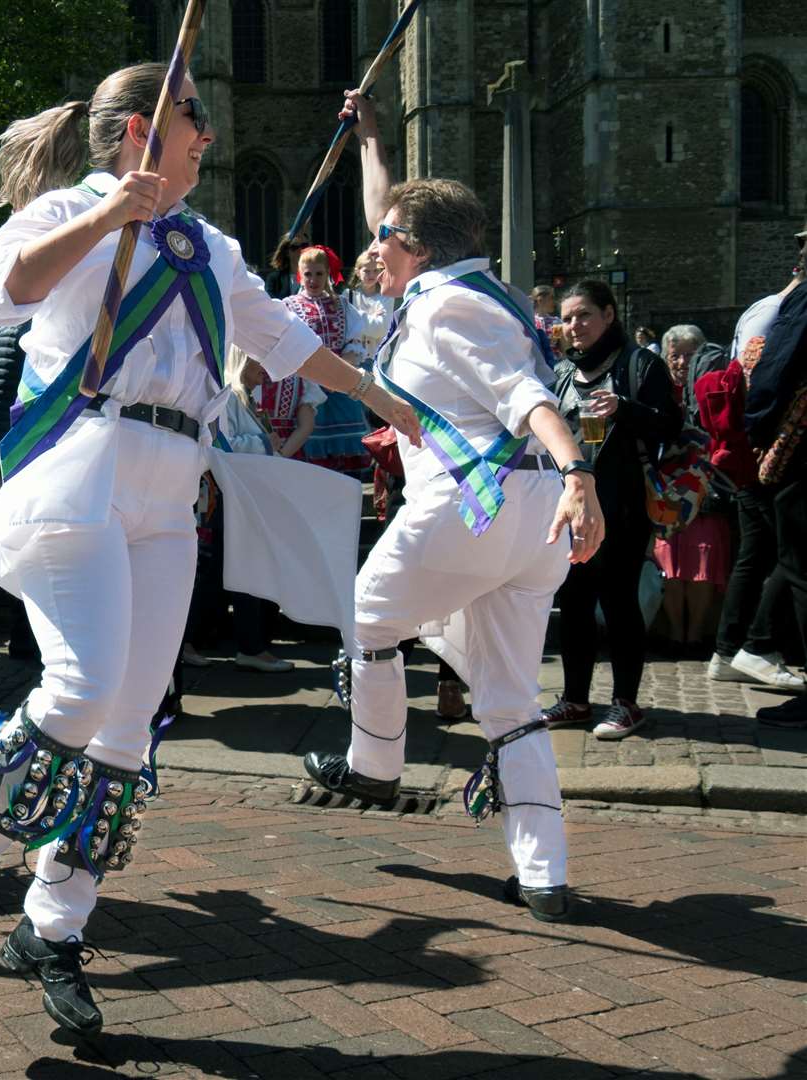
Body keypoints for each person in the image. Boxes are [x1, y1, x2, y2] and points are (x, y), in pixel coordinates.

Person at [0, 64, 418, 1035]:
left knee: (130, 729)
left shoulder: (212, 247)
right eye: (195, 118)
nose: (209, 135)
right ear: (143, 129)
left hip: (170, 490)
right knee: (82, 685)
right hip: (76, 469)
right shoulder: (66, 209)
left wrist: (387, 400)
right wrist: (106, 218)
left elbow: (281, 340)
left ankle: (51, 926)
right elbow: (1, 293)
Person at [302, 89, 604, 926]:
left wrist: (582, 471)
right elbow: (387, 210)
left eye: (384, 238)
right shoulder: (471, 288)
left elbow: (519, 399)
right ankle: (543, 875)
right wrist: (371, 139)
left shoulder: (448, 307)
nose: (372, 246)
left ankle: (378, 764)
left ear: (412, 247)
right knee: (509, 697)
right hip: (528, 520)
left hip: (481, 502)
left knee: (367, 615)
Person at [541, 281, 681, 739]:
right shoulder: (562, 373)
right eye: (567, 317)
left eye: (583, 315)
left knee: (619, 601)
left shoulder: (640, 364)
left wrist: (625, 408)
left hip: (622, 506)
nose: (573, 326)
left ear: (608, 315)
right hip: (572, 508)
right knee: (575, 603)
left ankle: (626, 702)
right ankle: (575, 699)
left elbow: (672, 424)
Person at [706, 253, 807, 690]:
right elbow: (760, 375)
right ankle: (750, 645)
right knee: (785, 554)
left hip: (760, 446)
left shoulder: (774, 307)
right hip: (768, 448)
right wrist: (758, 436)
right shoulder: (778, 309)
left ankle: (735, 649)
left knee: (765, 551)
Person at [744, 230, 807, 725]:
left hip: (801, 453)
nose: (800, 253)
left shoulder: (802, 300)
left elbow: (773, 370)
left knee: (800, 565)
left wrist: (757, 426)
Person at [651, 325, 730, 656]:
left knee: (701, 564)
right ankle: (674, 635)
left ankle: (696, 637)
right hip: (666, 490)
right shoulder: (657, 390)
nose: (683, 361)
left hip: (706, 490)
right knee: (669, 563)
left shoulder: (711, 386)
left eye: (689, 354)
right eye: (676, 354)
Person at [219, 344, 297, 672]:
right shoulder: (229, 398)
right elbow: (224, 445)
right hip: (238, 499)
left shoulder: (246, 399)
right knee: (249, 572)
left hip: (252, 497)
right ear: (242, 362)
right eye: (257, 362)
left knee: (258, 569)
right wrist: (267, 443)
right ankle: (251, 646)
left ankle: (256, 644)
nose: (264, 370)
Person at [287, 245, 382, 473]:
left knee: (346, 465)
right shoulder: (289, 306)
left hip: (340, 385)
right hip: (307, 389)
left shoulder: (341, 305)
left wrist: (338, 370)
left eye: (319, 273)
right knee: (311, 463)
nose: (313, 279)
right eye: (308, 274)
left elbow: (355, 341)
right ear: (300, 274)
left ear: (328, 273)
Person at [264, 230, 309, 299]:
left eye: (304, 246)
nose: (300, 250)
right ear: (287, 252)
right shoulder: (274, 279)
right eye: (294, 247)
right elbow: (270, 302)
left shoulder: (318, 276)